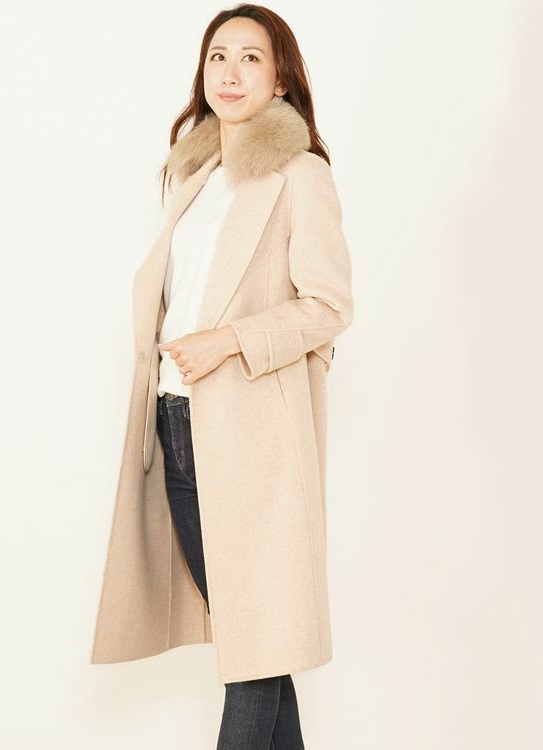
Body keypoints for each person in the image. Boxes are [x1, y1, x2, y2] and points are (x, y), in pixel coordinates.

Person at [91, 6, 354, 749]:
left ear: (281, 80)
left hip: (254, 438)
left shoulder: (300, 176)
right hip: (177, 428)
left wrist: (231, 340)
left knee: (255, 648)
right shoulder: (195, 176)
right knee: (258, 645)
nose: (230, 73)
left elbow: (329, 306)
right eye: (218, 57)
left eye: (251, 58)